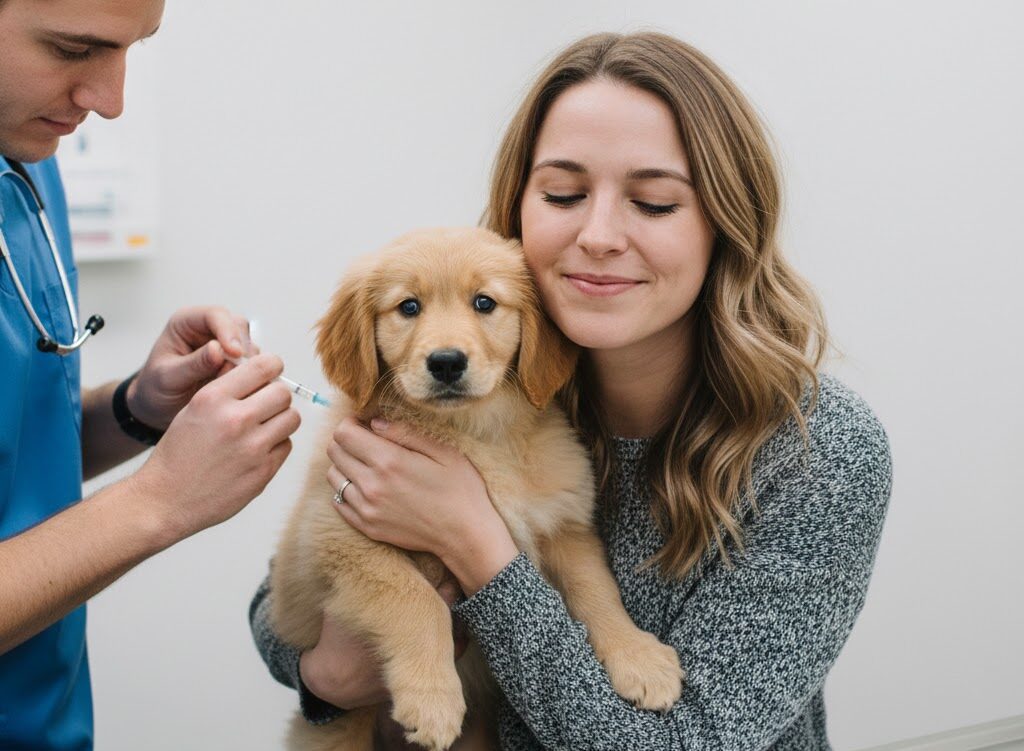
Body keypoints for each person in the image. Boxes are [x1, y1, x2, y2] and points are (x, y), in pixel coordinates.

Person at [250, 31, 892, 749]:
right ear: (519, 203)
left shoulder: (819, 451)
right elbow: (277, 612)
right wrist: (330, 679)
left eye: (653, 203)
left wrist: (476, 543)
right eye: (563, 192)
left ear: (727, 223)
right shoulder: (493, 370)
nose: (599, 234)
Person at [0, 1, 302, 748]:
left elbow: (18, 455)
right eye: (73, 49)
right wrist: (159, 501)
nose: (110, 100)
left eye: (133, 50)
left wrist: (136, 409)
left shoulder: (28, 163)